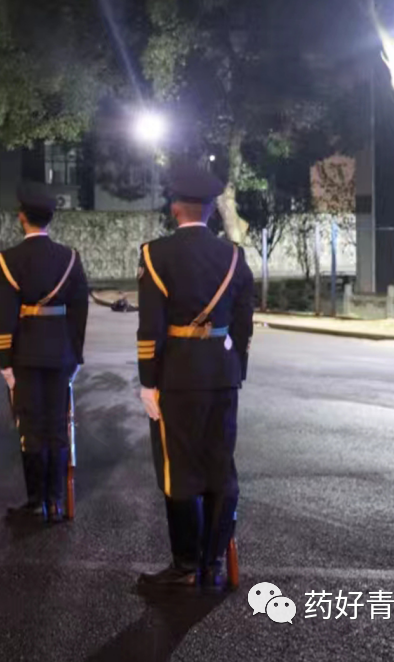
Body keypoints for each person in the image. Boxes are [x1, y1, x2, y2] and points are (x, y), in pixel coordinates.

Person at [135, 165, 254, 592]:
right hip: (222, 375)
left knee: (180, 467)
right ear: (210, 210)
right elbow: (243, 322)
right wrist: (236, 367)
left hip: (178, 377)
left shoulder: (155, 254)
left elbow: (151, 327)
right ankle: (213, 559)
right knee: (219, 464)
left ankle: (186, 564)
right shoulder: (234, 256)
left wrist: (147, 381)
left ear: (175, 208)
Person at [0, 181, 90, 524]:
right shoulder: (70, 258)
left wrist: (4, 360)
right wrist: (75, 354)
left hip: (26, 356)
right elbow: (79, 311)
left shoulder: (9, 260)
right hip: (61, 354)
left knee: (31, 429)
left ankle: (37, 502)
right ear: (51, 218)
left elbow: (4, 315)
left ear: (22, 217)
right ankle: (57, 501)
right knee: (57, 427)